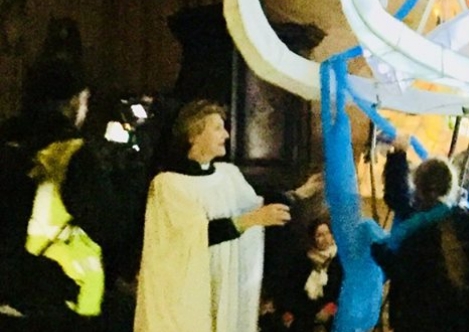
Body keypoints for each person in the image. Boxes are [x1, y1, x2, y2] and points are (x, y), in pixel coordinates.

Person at [133, 100, 322, 332]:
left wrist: (297, 195)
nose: (226, 134)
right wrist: (253, 219)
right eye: (217, 128)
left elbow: (253, 204)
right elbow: (195, 234)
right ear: (193, 135)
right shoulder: (169, 185)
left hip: (224, 281)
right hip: (188, 289)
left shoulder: (228, 175)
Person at [0, 56, 123, 332]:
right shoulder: (72, 153)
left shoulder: (7, 139)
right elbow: (107, 223)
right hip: (54, 295)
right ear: (75, 102)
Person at [371, 135, 469, 332]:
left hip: (418, 317)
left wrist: (379, 252)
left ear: (417, 185)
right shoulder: (464, 222)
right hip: (455, 317)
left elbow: (406, 273)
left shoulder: (416, 226)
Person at [270, 217, 343, 332]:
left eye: (327, 233)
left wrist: (330, 308)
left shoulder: (338, 261)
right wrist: (289, 311)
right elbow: (292, 287)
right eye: (319, 235)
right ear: (313, 238)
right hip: (304, 312)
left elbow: (342, 289)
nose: (325, 238)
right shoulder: (303, 259)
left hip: (330, 312)